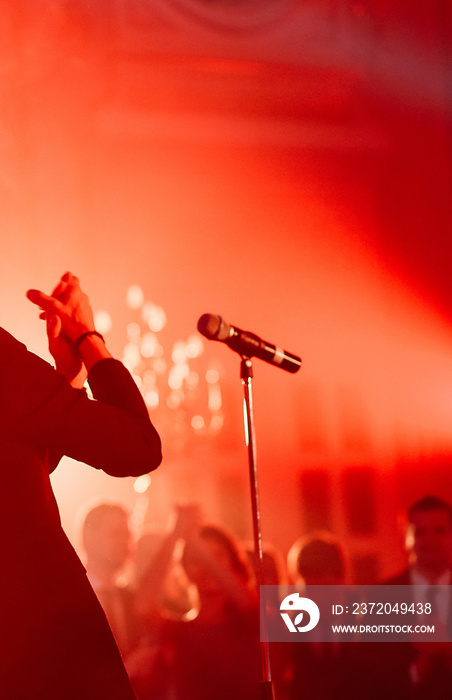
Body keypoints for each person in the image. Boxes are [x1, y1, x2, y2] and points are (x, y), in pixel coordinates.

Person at [0, 272, 162, 699]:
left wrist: (65, 384)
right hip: (38, 647)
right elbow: (137, 447)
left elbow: (15, 481)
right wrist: (88, 338)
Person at [131, 504, 261, 700]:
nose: (206, 567)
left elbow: (247, 601)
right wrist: (174, 534)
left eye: (216, 557)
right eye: (195, 560)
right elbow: (143, 606)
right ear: (184, 570)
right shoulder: (178, 631)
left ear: (233, 564)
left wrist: (194, 543)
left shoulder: (249, 619)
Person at [80, 500, 142, 661]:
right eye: (116, 533)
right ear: (89, 537)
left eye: (127, 535)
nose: (125, 543)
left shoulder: (130, 597)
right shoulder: (70, 597)